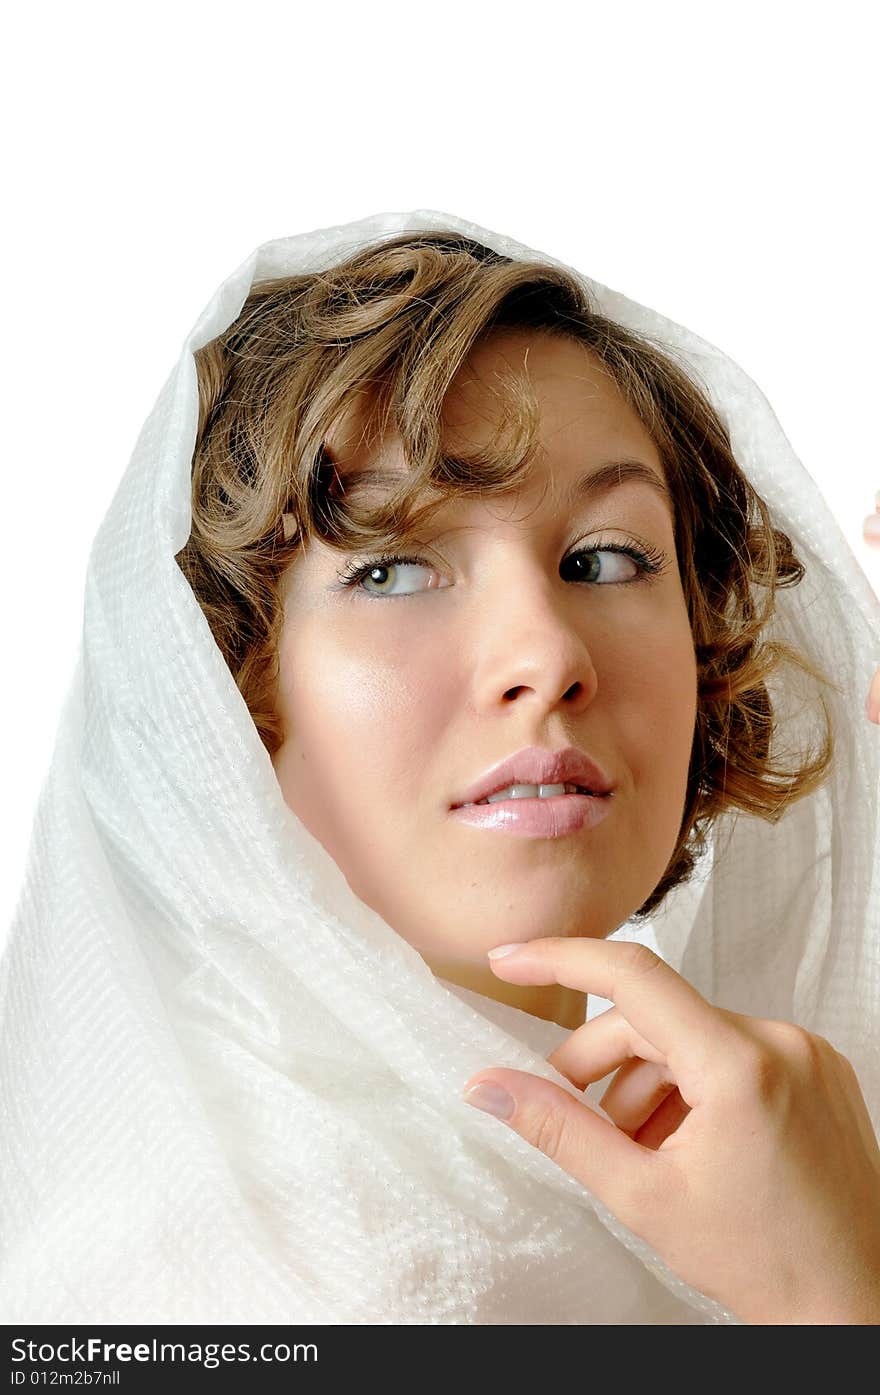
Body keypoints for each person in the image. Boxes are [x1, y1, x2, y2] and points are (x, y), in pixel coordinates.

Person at [0, 210, 877, 1325]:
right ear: (221, 687)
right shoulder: (238, 1290)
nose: (548, 657)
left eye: (604, 557)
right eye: (393, 570)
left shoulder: (760, 1144)